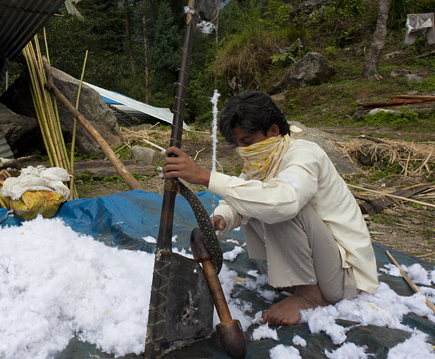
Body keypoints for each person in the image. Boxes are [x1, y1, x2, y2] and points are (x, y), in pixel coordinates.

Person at [162, 91, 378, 325]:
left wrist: (205, 176)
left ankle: (309, 296)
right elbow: (239, 198)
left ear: (273, 131)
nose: (242, 149)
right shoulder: (264, 162)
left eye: (247, 141)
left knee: (278, 204)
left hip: (345, 279)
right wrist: (221, 218)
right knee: (254, 196)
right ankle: (301, 282)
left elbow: (283, 202)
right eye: (238, 144)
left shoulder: (305, 154)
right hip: (323, 269)